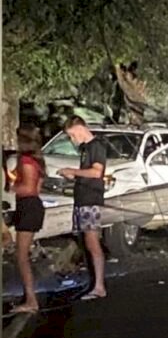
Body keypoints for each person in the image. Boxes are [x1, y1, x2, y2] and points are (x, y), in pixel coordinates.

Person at [58, 116, 108, 300]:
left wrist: (72, 171)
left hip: (90, 199)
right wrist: (75, 177)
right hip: (82, 198)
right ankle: (94, 282)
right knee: (87, 241)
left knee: (92, 241)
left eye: (72, 135)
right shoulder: (85, 149)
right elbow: (87, 173)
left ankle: (99, 286)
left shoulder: (96, 146)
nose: (72, 139)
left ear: (80, 128)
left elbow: (96, 172)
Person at [9, 125, 47, 314]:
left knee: (21, 256)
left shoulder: (26, 161)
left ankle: (31, 299)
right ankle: (29, 297)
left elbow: (30, 189)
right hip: (32, 207)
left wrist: (11, 187)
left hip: (28, 207)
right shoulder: (37, 161)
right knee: (22, 255)